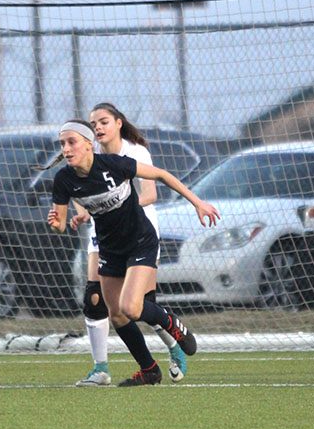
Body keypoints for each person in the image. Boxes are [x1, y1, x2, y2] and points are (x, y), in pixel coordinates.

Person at [47, 120, 220, 386]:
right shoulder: (64, 180)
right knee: (115, 313)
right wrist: (57, 223)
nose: (66, 149)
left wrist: (198, 203)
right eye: (62, 144)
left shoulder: (115, 164)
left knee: (132, 307)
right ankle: (149, 369)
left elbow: (162, 175)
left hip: (140, 241)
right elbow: (59, 225)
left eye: (72, 142)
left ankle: (174, 325)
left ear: (88, 144)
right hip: (110, 249)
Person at [67, 103, 187, 387]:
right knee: (94, 299)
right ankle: (101, 368)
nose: (98, 127)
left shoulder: (135, 152)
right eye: (93, 123)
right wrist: (83, 210)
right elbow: (76, 190)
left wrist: (114, 203)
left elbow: (150, 193)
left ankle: (175, 347)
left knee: (141, 306)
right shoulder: (89, 156)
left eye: (104, 121)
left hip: (138, 232)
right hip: (104, 235)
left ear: (119, 123)